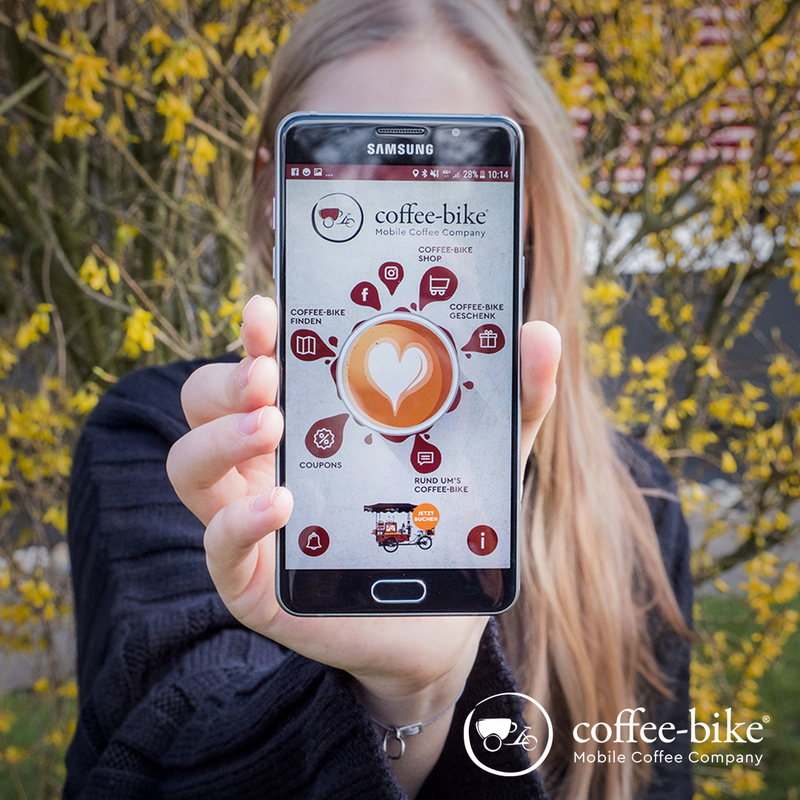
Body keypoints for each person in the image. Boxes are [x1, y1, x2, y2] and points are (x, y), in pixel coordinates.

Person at [64, 1, 693, 798]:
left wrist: (428, 690)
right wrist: (405, 700)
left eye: (446, 184)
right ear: (272, 196)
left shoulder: (635, 507)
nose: (399, 221)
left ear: (527, 209)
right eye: (359, 175)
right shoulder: (168, 442)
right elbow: (153, 749)